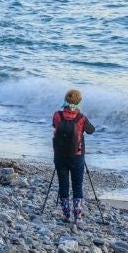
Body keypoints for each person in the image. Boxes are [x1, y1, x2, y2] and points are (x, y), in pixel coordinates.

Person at [51, 88, 95, 224]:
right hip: (77, 155)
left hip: (60, 155)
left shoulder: (57, 115)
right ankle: (78, 217)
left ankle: (66, 215)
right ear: (79, 101)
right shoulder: (81, 118)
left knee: (63, 185)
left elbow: (55, 126)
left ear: (66, 100)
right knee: (77, 185)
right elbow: (91, 130)